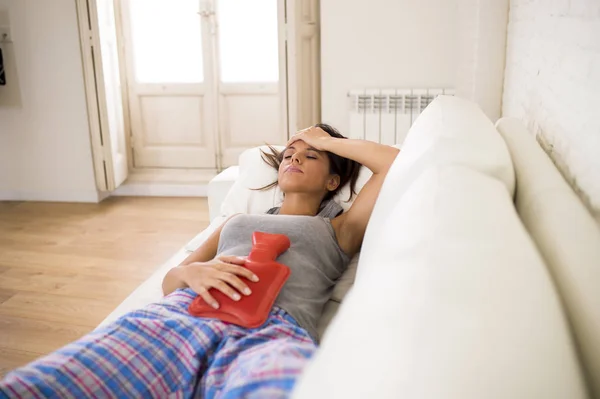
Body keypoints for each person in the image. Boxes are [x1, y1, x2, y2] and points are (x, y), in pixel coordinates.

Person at [0, 125, 399, 398]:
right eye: (288, 155)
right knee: (44, 383)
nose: (293, 159)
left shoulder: (339, 230)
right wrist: (191, 272)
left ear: (333, 181)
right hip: (186, 313)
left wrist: (322, 138)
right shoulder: (236, 221)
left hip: (272, 331)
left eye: (311, 156)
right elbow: (171, 280)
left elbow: (392, 160)